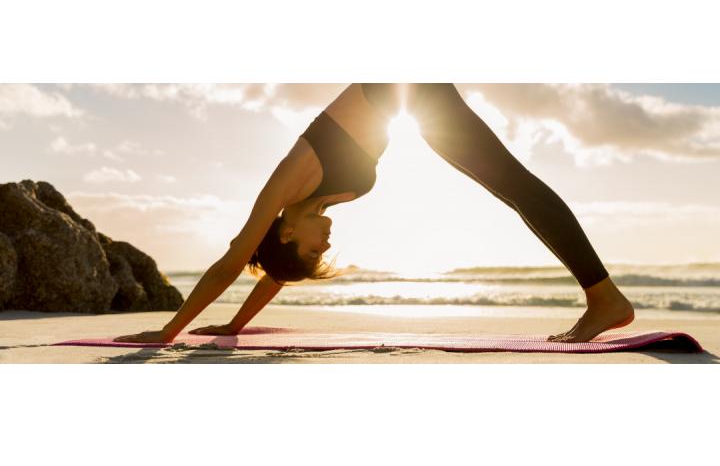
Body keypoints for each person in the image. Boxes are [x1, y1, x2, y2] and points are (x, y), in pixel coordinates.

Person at [114, 83, 634, 345]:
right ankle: (602, 297)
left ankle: (604, 298)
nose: (327, 242)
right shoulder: (309, 208)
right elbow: (276, 272)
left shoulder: (286, 182)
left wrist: (170, 331)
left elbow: (235, 259)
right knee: (512, 190)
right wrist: (232, 326)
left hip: (403, 87)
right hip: (414, 104)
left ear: (285, 231)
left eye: (313, 247)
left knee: (516, 186)